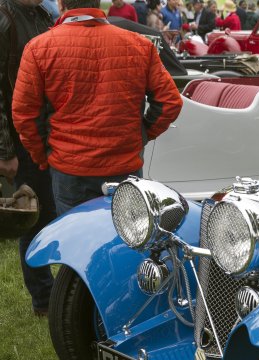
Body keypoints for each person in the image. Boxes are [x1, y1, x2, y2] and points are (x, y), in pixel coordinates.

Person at [12, 0, 183, 217]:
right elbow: (169, 101)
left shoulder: (39, 47)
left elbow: (24, 114)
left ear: (61, 4)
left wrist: (43, 156)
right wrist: (142, 135)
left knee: (74, 234)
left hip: (70, 167)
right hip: (122, 164)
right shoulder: (139, 44)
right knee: (125, 233)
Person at [0, 0, 55, 317]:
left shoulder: (43, 13)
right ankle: (44, 298)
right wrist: (5, 151)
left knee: (51, 210)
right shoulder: (4, 17)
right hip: (20, 133)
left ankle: (51, 293)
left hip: (46, 131)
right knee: (34, 214)